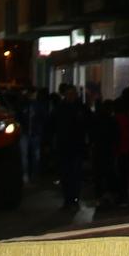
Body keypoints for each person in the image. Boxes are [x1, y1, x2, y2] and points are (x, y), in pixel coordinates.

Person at [48, 82, 87, 210]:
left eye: (73, 94)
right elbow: (51, 127)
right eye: (69, 94)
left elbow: (87, 125)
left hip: (76, 146)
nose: (71, 96)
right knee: (66, 174)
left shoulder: (80, 108)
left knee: (75, 174)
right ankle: (68, 199)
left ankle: (73, 199)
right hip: (64, 146)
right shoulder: (60, 109)